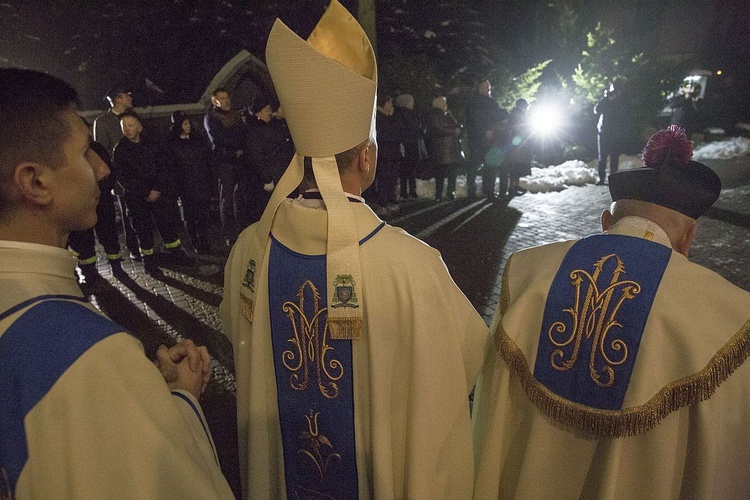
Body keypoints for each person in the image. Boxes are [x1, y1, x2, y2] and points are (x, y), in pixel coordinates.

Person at [220, 2, 489, 497]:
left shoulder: (248, 251)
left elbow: (235, 334)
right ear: (367, 156)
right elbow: (464, 362)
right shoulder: (412, 265)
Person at [472, 125, 750, 498]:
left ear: (606, 221)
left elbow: (490, 411)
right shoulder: (731, 316)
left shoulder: (525, 273)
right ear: (688, 238)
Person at [0, 68, 233, 499]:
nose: (102, 169)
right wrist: (181, 397)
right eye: (85, 153)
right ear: (35, 182)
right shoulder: (89, 354)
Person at [113, 111, 184, 272]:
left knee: (166, 224)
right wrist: (145, 192)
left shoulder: (152, 144)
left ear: (139, 127)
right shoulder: (120, 150)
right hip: (137, 197)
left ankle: (177, 254)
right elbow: (124, 177)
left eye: (130, 125)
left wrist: (157, 189)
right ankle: (149, 262)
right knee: (142, 230)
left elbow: (163, 166)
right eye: (124, 126)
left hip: (158, 194)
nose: (127, 129)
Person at [67, 135, 125, 286]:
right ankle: (89, 272)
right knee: (83, 239)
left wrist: (101, 190)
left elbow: (109, 172)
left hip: (102, 200)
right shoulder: (67, 151)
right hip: (79, 202)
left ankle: (116, 265)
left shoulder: (96, 149)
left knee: (108, 233)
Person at [93, 84, 140, 259]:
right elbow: (102, 151)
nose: (131, 98)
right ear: (118, 98)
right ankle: (134, 247)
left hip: (140, 173)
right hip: (121, 176)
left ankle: (146, 245)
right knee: (128, 213)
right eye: (127, 95)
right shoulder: (103, 122)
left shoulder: (134, 117)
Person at [204, 87, 246, 246]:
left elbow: (242, 134)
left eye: (227, 97)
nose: (226, 101)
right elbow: (219, 138)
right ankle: (229, 234)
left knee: (240, 197)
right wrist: (235, 148)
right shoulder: (211, 118)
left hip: (238, 162)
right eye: (222, 98)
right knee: (226, 200)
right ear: (215, 101)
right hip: (224, 162)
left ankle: (242, 229)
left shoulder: (234, 116)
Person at [167, 111, 213, 254]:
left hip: (201, 182)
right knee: (190, 216)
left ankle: (203, 241)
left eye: (189, 123)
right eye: (185, 124)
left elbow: (206, 159)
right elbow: (172, 167)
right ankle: (195, 242)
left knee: (202, 215)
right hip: (186, 186)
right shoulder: (172, 144)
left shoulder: (197, 140)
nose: (188, 126)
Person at [466, 78, 508, 199]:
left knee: (490, 165)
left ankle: (489, 190)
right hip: (477, 138)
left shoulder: (491, 103)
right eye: (485, 87)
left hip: (490, 139)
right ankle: (472, 189)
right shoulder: (474, 102)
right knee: (474, 164)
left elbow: (497, 116)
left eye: (488, 88)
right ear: (480, 88)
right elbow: (474, 119)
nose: (488, 90)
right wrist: (485, 131)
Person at [425, 96, 463, 201]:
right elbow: (440, 128)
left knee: (446, 173)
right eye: (444, 103)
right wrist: (454, 131)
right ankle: (442, 194)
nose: (446, 105)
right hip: (441, 149)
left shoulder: (446, 115)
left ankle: (445, 193)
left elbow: (456, 126)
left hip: (447, 149)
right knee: (443, 173)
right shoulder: (435, 116)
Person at [594, 79, 629, 185]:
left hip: (615, 131)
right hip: (603, 131)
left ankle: (613, 178)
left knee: (614, 156)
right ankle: (601, 178)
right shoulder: (606, 99)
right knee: (602, 157)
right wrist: (606, 98)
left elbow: (624, 114)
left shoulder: (621, 100)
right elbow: (596, 109)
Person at [374, 94, 403, 212]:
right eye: (389, 102)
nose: (391, 105)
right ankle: (383, 203)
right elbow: (387, 133)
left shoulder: (390, 117)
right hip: (384, 152)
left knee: (392, 177)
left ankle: (389, 200)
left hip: (393, 152)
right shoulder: (379, 117)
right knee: (384, 178)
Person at [394, 93, 423, 199]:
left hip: (409, 144)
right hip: (407, 145)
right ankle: (407, 191)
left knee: (409, 169)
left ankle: (408, 190)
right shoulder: (404, 115)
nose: (412, 103)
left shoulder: (406, 114)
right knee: (407, 169)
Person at [502, 98, 532, 198]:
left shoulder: (519, 114)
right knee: (514, 166)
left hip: (520, 143)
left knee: (518, 165)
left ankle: (516, 185)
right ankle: (512, 187)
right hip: (516, 143)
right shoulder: (515, 115)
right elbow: (517, 127)